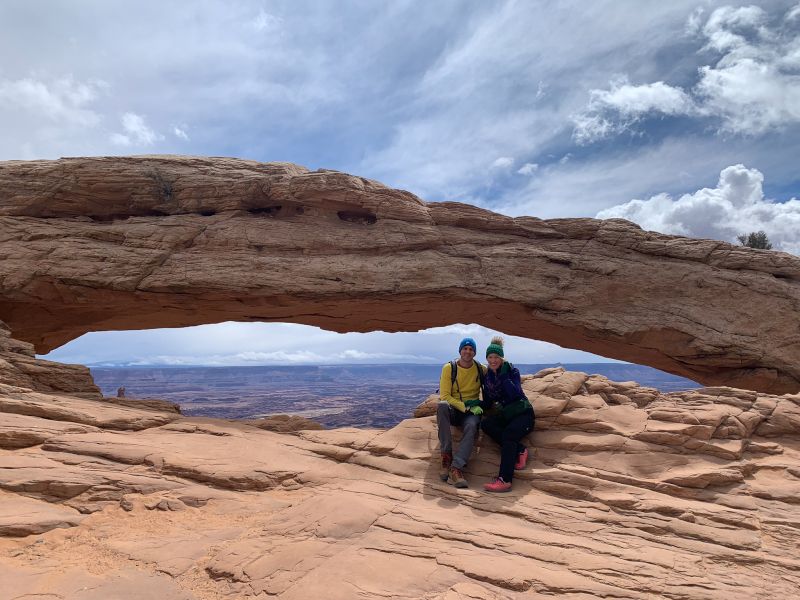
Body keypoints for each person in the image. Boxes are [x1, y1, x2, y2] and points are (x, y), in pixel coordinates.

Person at [478, 336, 534, 492]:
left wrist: (503, 375)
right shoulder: (488, 377)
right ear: (487, 358)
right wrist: (473, 404)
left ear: (501, 358)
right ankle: (520, 449)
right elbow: (488, 402)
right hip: (507, 415)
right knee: (486, 424)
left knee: (509, 435)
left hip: (523, 414)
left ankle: (504, 480)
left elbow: (515, 394)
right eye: (490, 357)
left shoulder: (511, 371)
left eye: (496, 357)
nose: (493, 360)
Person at [437, 337, 486, 488]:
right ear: (460, 351)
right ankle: (446, 456)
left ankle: (455, 468)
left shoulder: (480, 369)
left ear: (474, 353)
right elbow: (444, 396)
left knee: (472, 426)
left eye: (471, 349)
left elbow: (496, 374)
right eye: (465, 348)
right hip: (456, 409)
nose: (468, 351)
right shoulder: (449, 368)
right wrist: (464, 407)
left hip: (471, 412)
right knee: (442, 405)